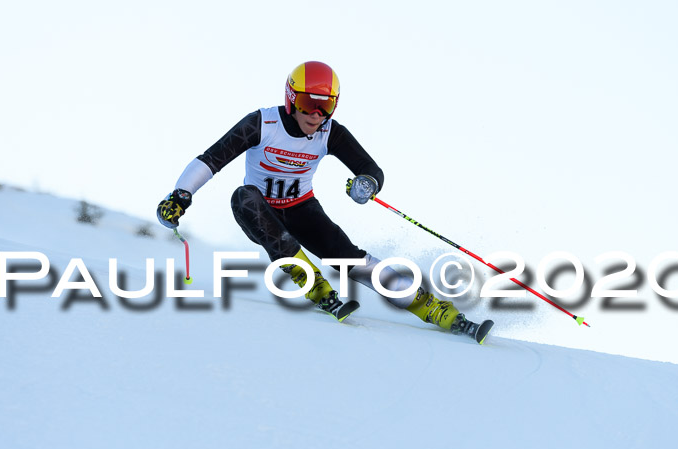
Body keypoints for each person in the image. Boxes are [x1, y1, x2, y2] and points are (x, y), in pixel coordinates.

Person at [157, 60, 490, 341]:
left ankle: (431, 306)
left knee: (348, 258)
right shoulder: (262, 123)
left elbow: (369, 167)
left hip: (302, 210)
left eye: (326, 106)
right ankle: (313, 285)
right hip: (261, 211)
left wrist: (367, 183)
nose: (316, 115)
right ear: (291, 99)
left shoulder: (330, 132)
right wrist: (180, 195)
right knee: (243, 197)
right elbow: (212, 158)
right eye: (308, 104)